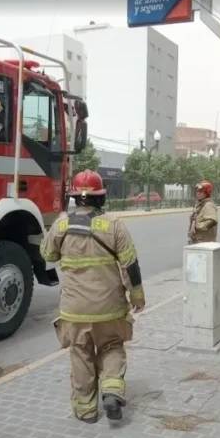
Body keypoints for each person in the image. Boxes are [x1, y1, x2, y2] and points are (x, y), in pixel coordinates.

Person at [40, 170, 145, 424]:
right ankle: (111, 391)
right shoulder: (114, 224)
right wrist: (137, 296)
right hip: (110, 307)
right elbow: (130, 265)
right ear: (101, 197)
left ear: (75, 197)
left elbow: (47, 256)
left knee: (81, 354)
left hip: (75, 310)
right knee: (111, 346)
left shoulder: (62, 224)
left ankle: (86, 410)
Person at [188, 180, 219, 244]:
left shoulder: (208, 205)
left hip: (205, 244)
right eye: (197, 191)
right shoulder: (200, 205)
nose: (198, 193)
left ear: (207, 193)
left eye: (201, 192)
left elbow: (212, 221)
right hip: (199, 242)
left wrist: (198, 226)